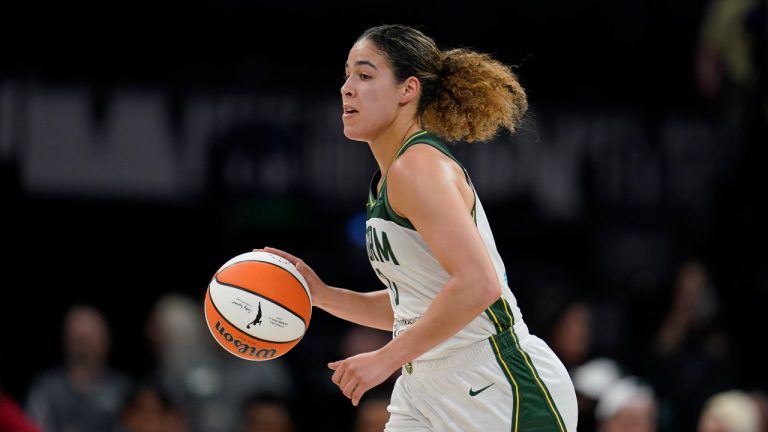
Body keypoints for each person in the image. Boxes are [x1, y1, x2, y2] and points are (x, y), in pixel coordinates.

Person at [262, 24, 578, 431]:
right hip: (426, 380)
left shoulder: (418, 167)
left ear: (407, 90)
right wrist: (323, 296)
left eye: (364, 75)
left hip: (497, 382)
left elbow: (479, 284)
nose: (346, 88)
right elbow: (418, 306)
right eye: (346, 75)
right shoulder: (390, 177)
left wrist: (386, 358)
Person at [25, 304, 132, 432]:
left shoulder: (122, 391)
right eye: (77, 340)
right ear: (65, 341)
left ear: (106, 341)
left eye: (88, 340)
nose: (83, 349)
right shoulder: (46, 389)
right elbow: (32, 426)